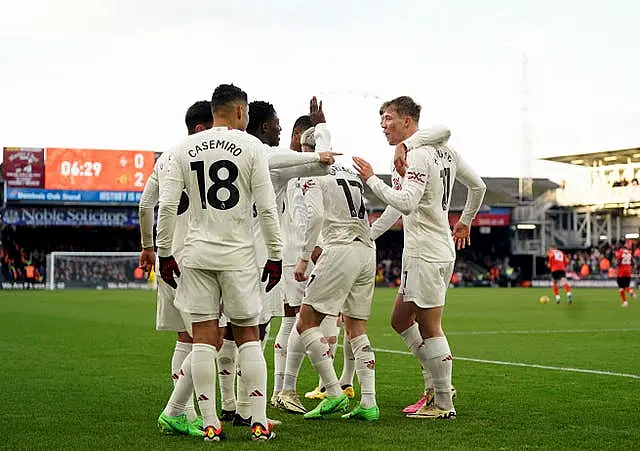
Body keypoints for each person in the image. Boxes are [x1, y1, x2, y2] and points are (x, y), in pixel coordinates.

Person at [156, 84, 283, 442]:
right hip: (239, 255)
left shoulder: (183, 148)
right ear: (241, 112)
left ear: (213, 112)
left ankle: (210, 423)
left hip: (196, 254)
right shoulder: (252, 147)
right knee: (247, 337)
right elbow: (268, 206)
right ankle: (258, 421)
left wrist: (164, 252)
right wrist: (274, 255)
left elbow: (166, 207)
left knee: (203, 340)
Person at [353, 95, 486, 420]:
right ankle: (434, 387)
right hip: (438, 250)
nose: (383, 125)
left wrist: (371, 179)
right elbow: (477, 187)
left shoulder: (418, 155)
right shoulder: (443, 152)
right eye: (381, 119)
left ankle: (443, 401)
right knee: (400, 320)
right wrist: (367, 236)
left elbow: (408, 203)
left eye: (388, 118)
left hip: (425, 253)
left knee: (429, 325)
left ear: (408, 121)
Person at [216, 97, 339, 426]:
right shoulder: (266, 154)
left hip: (219, 252)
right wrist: (322, 128)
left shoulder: (226, 152)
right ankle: (248, 410)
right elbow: (323, 164)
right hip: (256, 258)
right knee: (254, 332)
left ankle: (227, 404)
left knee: (222, 331)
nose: (281, 128)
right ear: (265, 126)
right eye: (277, 123)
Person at [138, 100, 213, 435]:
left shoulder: (165, 157)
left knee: (186, 338)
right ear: (200, 129)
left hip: (168, 256)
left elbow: (145, 205)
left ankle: (187, 412)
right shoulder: (202, 155)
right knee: (209, 338)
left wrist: (148, 248)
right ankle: (178, 409)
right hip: (196, 258)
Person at [293, 158, 379, 421]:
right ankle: (368, 403)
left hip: (339, 247)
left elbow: (317, 215)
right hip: (366, 249)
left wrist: (305, 256)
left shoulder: (312, 173)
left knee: (305, 322)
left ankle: (333, 391)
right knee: (356, 328)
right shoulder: (349, 172)